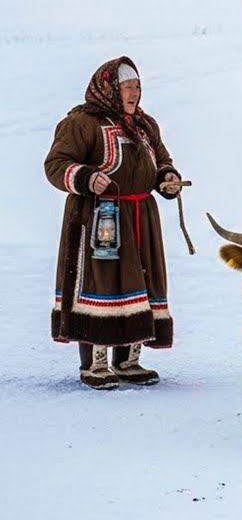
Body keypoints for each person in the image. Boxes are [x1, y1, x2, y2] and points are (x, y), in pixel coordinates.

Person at [43, 57, 183, 389]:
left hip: (139, 217)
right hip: (99, 218)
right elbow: (56, 164)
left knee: (139, 284)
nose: (133, 93)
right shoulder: (82, 123)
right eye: (126, 87)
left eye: (137, 86)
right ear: (108, 89)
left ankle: (129, 360)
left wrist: (167, 178)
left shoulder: (146, 125)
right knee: (102, 283)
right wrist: (86, 177)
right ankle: (95, 363)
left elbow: (161, 160)